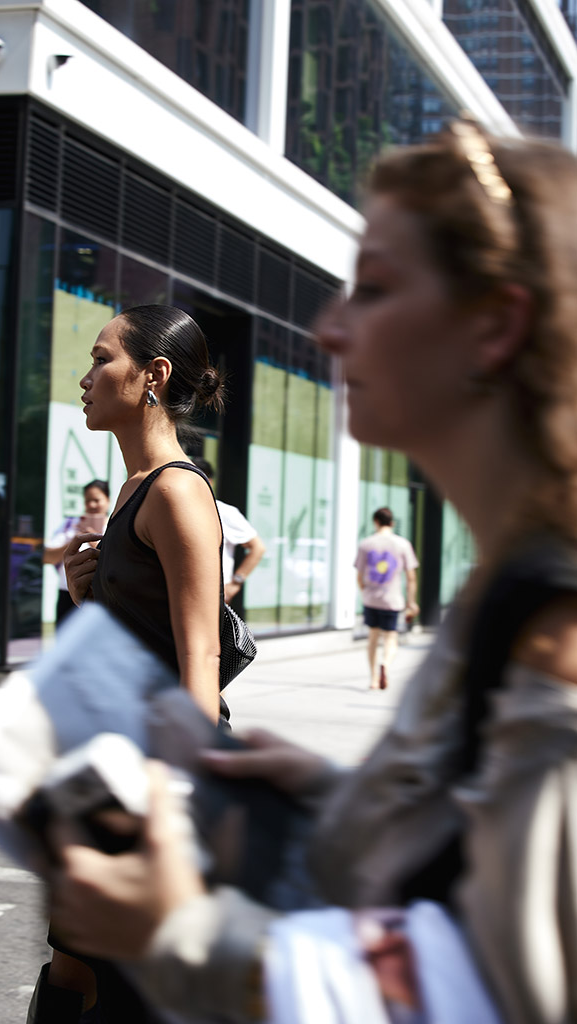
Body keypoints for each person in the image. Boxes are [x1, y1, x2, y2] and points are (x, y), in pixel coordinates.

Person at [47, 121, 577, 1024]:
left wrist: (189, 941)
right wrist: (330, 796)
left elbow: (507, 984)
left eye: (371, 290)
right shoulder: (506, 590)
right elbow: (469, 855)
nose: (330, 328)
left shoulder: (555, 628)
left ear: (494, 326)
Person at [31, 305, 227, 1022]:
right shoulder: (131, 492)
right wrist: (90, 600)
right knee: (75, 963)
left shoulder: (176, 492)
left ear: (153, 374)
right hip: (108, 762)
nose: (85, 379)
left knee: (120, 981)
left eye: (101, 359)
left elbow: (199, 654)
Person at [355, 506, 419, 689]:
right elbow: (411, 576)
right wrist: (411, 602)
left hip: (371, 599)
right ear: (392, 523)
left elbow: (359, 576)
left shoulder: (366, 544)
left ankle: (373, 679)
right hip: (392, 600)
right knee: (391, 637)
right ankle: (386, 663)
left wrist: (364, 592)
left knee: (373, 638)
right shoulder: (403, 544)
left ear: (375, 522)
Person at [191, 457, 266, 605]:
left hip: (212, 596)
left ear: (209, 481)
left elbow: (258, 548)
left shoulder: (224, 512)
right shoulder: (173, 510)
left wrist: (235, 584)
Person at [43, 480, 111, 626]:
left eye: (96, 500)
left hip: (101, 596)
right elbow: (47, 557)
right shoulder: (70, 524)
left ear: (108, 500)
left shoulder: (113, 526)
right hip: (67, 594)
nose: (92, 505)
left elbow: (112, 561)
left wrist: (93, 538)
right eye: (87, 501)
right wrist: (75, 539)